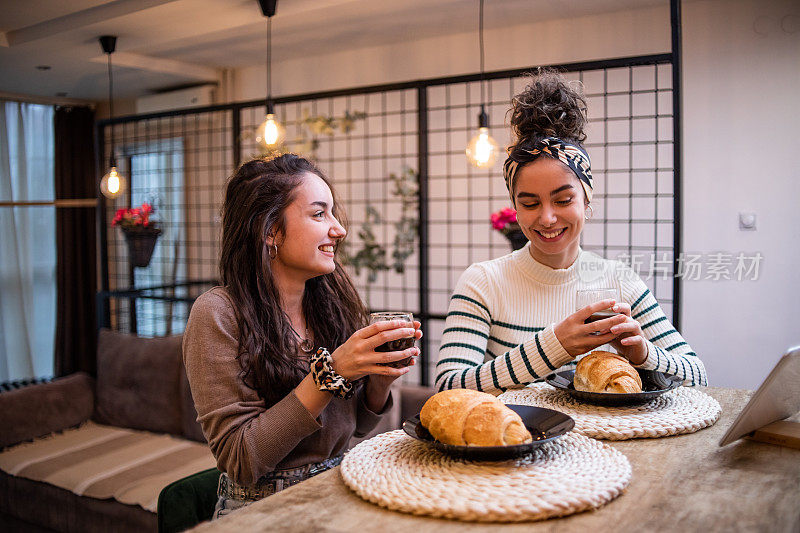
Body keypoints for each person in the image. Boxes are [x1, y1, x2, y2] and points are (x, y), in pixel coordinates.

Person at [435, 69, 706, 394]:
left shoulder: (618, 281)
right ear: (515, 210)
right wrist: (555, 344)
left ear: (586, 199)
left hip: (605, 444)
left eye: (563, 199)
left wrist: (643, 354)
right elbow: (448, 388)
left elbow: (698, 377)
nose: (547, 218)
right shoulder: (484, 282)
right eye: (530, 203)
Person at [183, 154, 422, 518]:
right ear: (270, 231)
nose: (338, 229)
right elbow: (241, 460)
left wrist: (378, 381)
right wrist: (331, 374)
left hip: (340, 490)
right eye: (318, 214)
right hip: (261, 510)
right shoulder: (217, 313)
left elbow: (357, 426)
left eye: (333, 213)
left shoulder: (330, 303)